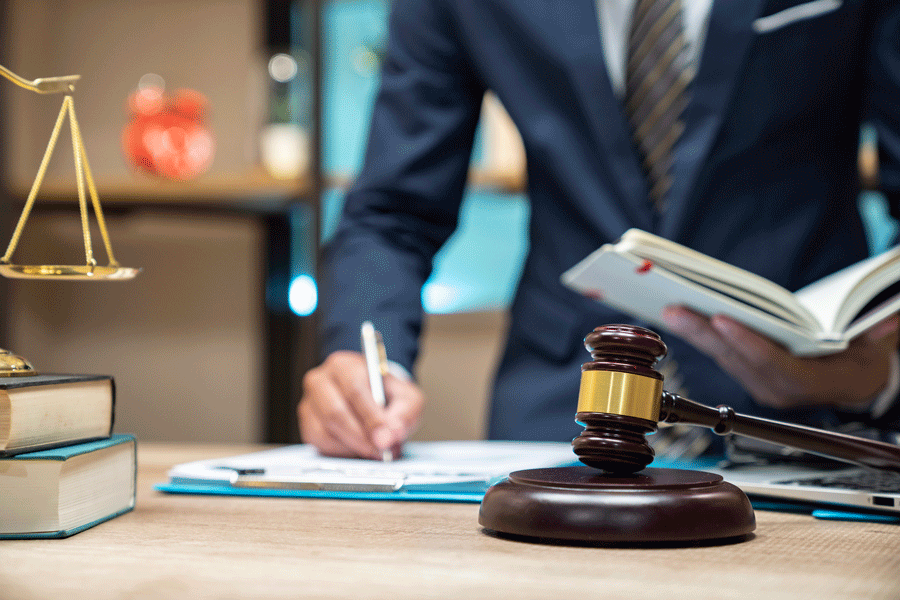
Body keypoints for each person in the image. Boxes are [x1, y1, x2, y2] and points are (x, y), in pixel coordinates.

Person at [299, 0, 900, 459]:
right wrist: (367, 361)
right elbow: (392, 213)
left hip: (816, 424)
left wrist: (881, 372)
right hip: (557, 423)